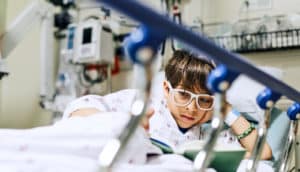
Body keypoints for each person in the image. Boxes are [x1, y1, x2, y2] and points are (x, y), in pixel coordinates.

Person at [64, 50, 272, 162]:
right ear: (166, 88)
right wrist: (119, 123)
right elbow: (81, 107)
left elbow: (262, 153)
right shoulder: (142, 104)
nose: (192, 108)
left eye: (204, 100)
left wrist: (226, 110)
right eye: (183, 95)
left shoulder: (212, 132)